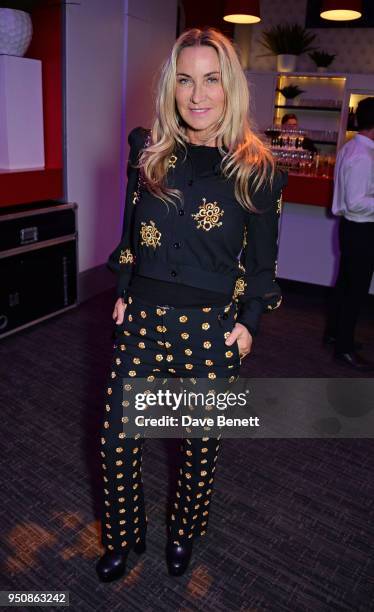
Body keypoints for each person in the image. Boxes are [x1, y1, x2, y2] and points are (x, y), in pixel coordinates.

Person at [96, 27, 287, 582]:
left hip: (211, 327)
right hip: (144, 320)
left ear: (231, 88)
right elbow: (129, 229)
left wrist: (249, 323)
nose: (197, 95)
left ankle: (183, 532)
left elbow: (262, 263)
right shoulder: (146, 152)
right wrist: (126, 290)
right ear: (170, 87)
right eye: (185, 80)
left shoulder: (256, 168)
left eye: (211, 79)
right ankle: (123, 535)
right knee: (114, 440)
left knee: (200, 446)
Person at [324, 97, 374, 370]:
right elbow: (356, 202)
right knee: (354, 290)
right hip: (361, 229)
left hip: (351, 228)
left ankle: (334, 334)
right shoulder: (364, 155)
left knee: (344, 285)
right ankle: (343, 347)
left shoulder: (351, 148)